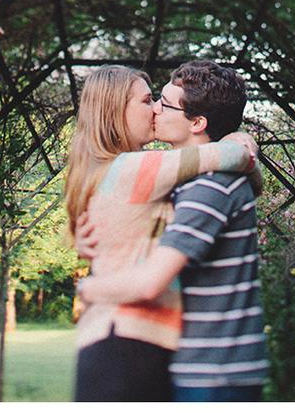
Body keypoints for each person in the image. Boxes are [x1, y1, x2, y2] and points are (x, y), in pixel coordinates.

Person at [64, 64, 258, 403]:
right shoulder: (137, 170)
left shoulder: (117, 171)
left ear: (197, 122)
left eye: (161, 102)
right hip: (125, 340)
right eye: (147, 100)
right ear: (115, 112)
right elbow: (233, 158)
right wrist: (240, 141)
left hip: (126, 342)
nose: (155, 108)